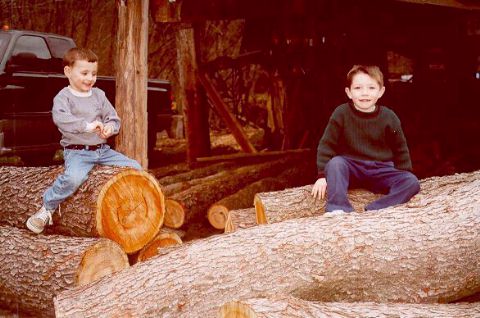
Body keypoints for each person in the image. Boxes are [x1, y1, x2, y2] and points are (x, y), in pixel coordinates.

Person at [26, 47, 141, 234]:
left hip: (103, 151)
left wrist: (110, 128)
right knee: (73, 178)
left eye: (94, 74)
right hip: (78, 151)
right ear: (68, 71)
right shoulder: (63, 98)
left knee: (135, 166)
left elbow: (113, 118)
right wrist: (87, 126)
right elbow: (62, 120)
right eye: (84, 73)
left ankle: (132, 205)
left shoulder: (99, 95)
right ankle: (46, 209)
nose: (90, 78)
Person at [311, 65, 420, 214]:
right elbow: (326, 145)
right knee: (336, 163)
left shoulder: (389, 117)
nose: (364, 93)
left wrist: (403, 174)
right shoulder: (341, 113)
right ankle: (338, 208)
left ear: (381, 91)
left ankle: (376, 209)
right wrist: (322, 176)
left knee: (411, 182)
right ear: (348, 92)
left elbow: (400, 148)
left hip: (380, 169)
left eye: (371, 88)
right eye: (358, 88)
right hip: (351, 168)